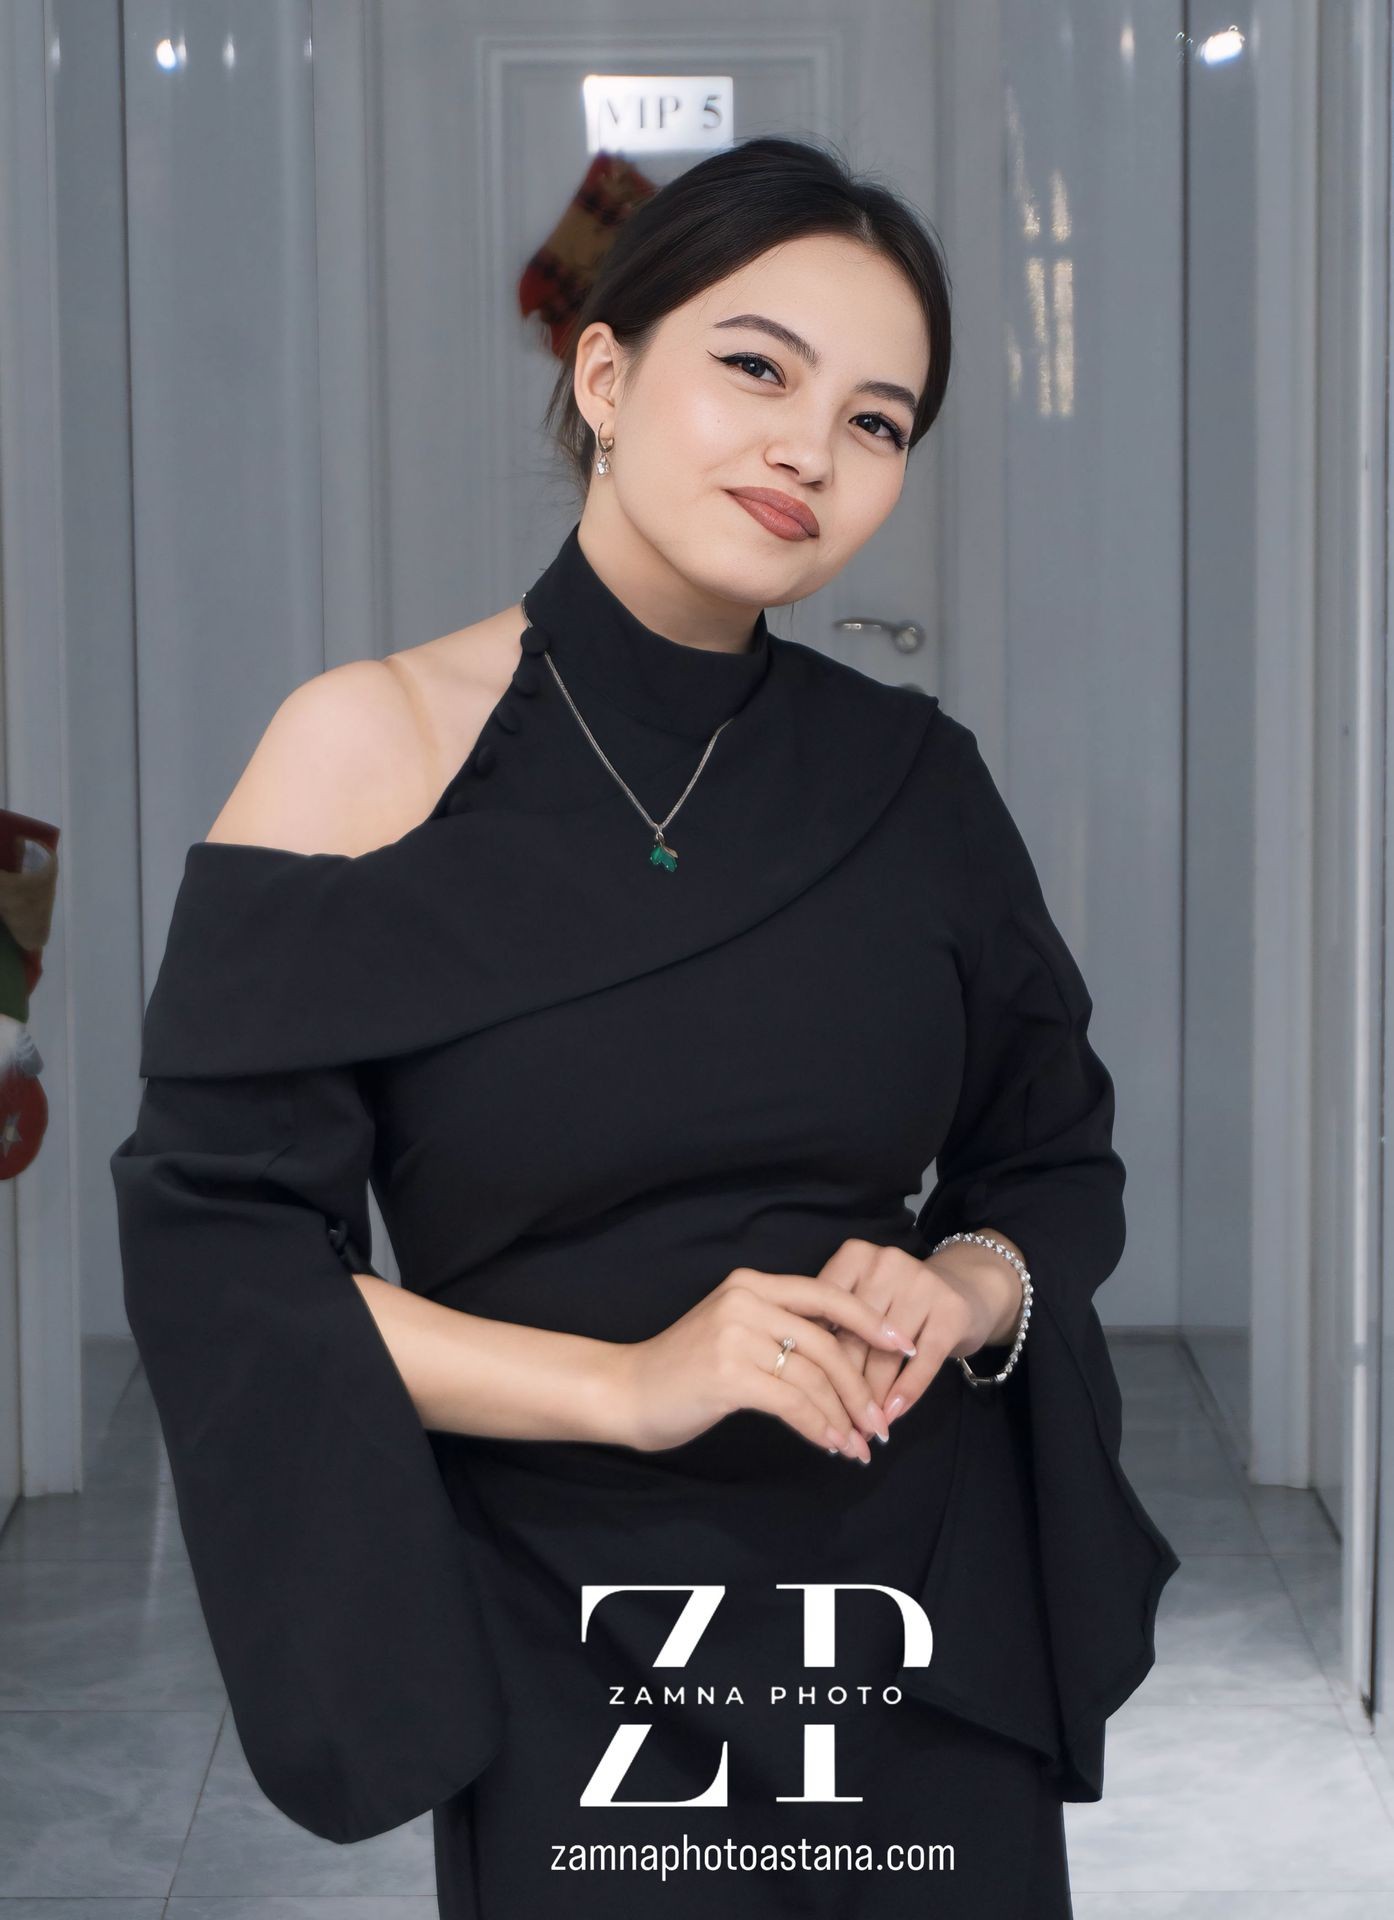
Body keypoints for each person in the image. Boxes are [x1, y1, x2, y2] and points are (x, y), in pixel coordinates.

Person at [109, 135, 1180, 1917]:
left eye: (876, 421)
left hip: (915, 1594)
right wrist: (629, 1386)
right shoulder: (365, 749)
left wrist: (966, 1283)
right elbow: (226, 1260)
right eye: (755, 368)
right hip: (567, 1609)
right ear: (604, 374)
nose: (807, 450)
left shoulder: (912, 781)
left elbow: (1049, 1160)